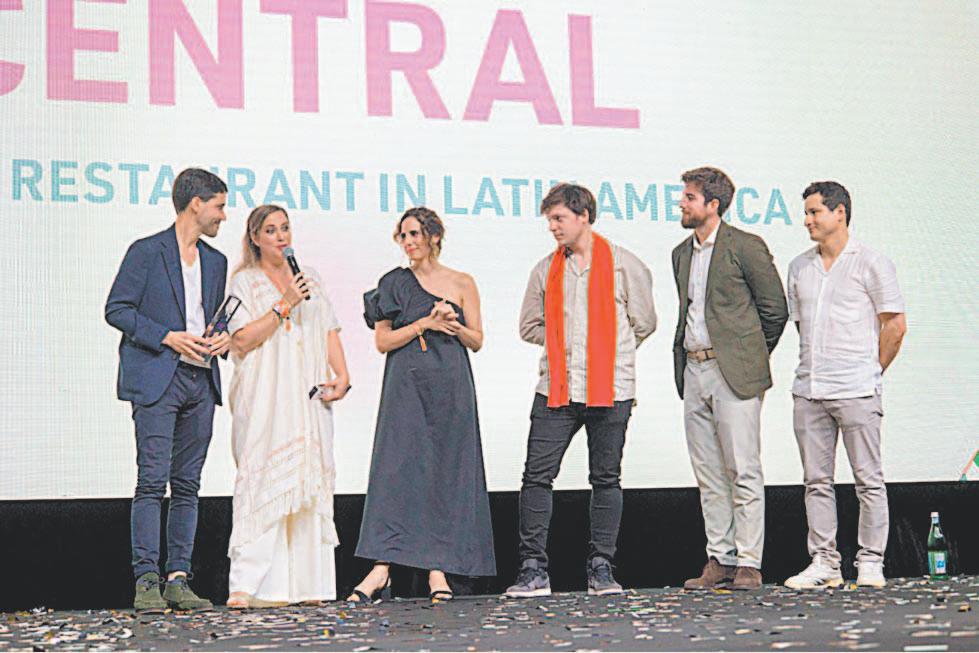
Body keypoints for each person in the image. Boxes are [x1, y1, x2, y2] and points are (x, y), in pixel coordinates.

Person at [505, 183, 657, 598]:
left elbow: (644, 322)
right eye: (549, 220)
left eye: (559, 218)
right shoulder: (544, 269)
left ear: (584, 215)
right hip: (556, 388)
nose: (552, 227)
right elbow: (528, 326)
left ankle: (601, 568)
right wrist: (564, 342)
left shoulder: (625, 265)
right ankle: (533, 569)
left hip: (611, 388)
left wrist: (606, 349)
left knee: (605, 478)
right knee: (536, 477)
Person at [349, 207, 496, 602]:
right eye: (403, 235)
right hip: (406, 387)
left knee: (445, 473)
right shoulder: (393, 283)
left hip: (450, 387)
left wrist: (452, 323)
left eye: (415, 234)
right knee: (396, 471)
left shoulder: (462, 281)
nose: (408, 242)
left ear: (433, 236)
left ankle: (438, 569)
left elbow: (477, 340)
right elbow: (383, 342)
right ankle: (381, 567)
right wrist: (422, 325)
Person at [105, 168, 230, 611]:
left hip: (201, 379)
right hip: (159, 378)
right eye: (219, 206)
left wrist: (223, 337)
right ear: (196, 203)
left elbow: (215, 316)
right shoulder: (146, 251)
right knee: (152, 481)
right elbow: (117, 309)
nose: (223, 215)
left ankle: (178, 578)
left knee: (188, 485)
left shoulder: (216, 261)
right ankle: (146, 580)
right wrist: (166, 337)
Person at [223, 205, 351, 607]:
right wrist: (284, 303)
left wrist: (342, 374)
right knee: (264, 478)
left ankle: (309, 585)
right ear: (255, 238)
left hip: (306, 395)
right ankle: (250, 585)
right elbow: (241, 339)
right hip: (266, 396)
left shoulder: (309, 277)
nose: (281, 237)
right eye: (271, 230)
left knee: (307, 478)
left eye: (285, 228)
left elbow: (327, 328)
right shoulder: (244, 282)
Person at [783, 182, 906, 590]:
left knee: (868, 479)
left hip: (857, 388)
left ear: (840, 213)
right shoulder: (799, 267)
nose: (807, 220)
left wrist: (871, 371)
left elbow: (895, 325)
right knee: (816, 482)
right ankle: (825, 562)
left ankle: (871, 561)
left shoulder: (872, 263)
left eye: (814, 212)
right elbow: (802, 327)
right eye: (806, 213)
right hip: (809, 389)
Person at [672, 166, 788, 591]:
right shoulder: (681, 253)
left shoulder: (745, 246)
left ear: (713, 204)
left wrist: (747, 355)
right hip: (694, 367)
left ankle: (749, 562)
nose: (681, 203)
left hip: (732, 371)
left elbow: (775, 309)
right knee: (708, 471)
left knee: (743, 467)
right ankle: (720, 558)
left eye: (689, 197)